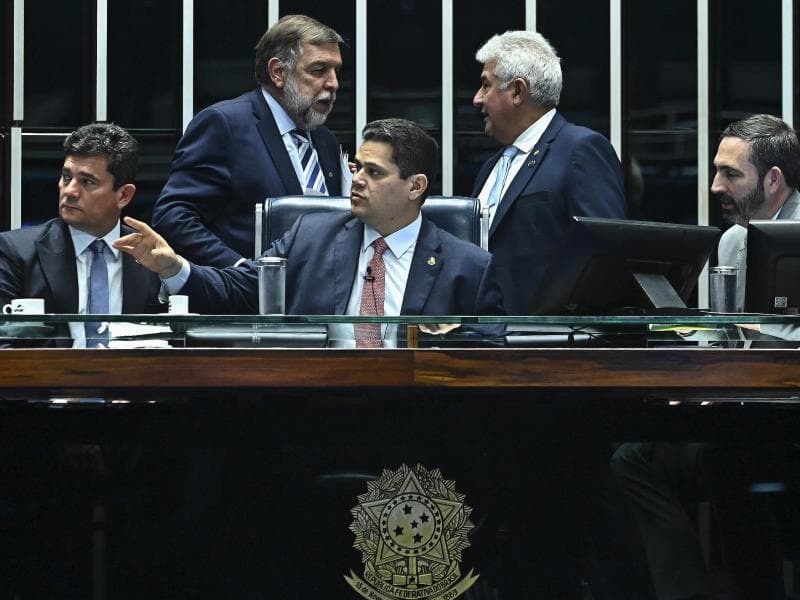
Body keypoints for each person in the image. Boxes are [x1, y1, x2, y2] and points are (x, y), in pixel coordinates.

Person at [609, 114, 800, 599]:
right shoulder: (733, 241)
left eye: (730, 174)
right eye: (716, 171)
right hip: (743, 416)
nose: (715, 186)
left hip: (787, 420)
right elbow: (724, 335)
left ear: (773, 179)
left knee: (733, 463)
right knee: (634, 458)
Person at [117, 118, 504, 335]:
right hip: (316, 406)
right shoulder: (310, 236)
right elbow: (240, 290)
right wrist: (174, 268)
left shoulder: (468, 266)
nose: (356, 180)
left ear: (415, 186)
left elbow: (490, 357)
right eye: (357, 167)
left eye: (374, 172)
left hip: (418, 410)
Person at [152, 14, 346, 268]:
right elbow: (174, 217)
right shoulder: (225, 124)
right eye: (319, 70)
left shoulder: (325, 140)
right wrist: (242, 269)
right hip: (244, 290)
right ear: (278, 72)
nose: (334, 84)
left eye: (336, 71)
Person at [472, 30, 627, 314]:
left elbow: (606, 259)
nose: (477, 99)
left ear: (517, 91)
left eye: (485, 86)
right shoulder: (490, 167)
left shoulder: (581, 149)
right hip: (484, 334)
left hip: (549, 336)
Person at [0, 122, 162, 347]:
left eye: (87, 182)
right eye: (66, 177)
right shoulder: (16, 252)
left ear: (123, 195)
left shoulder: (152, 256)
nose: (69, 191)